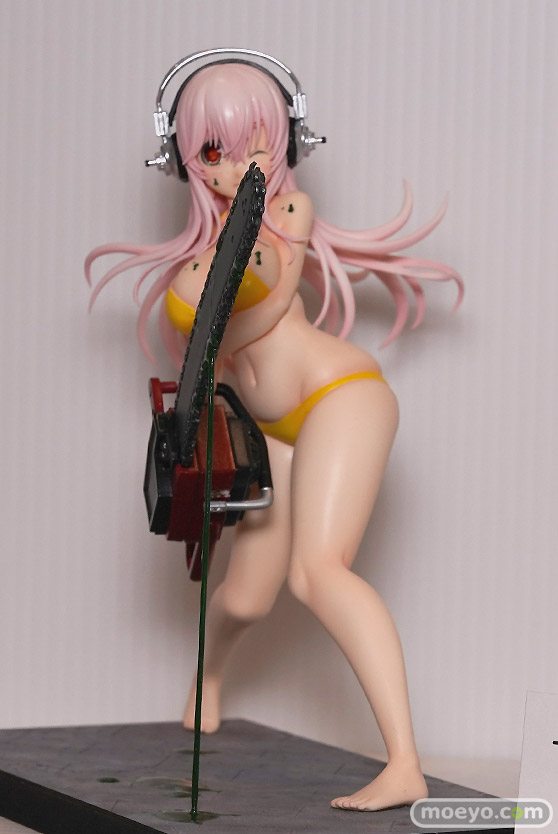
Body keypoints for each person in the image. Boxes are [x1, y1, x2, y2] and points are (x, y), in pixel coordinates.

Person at [86, 56, 462, 812]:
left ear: (286, 139)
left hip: (340, 398)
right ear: (185, 159)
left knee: (318, 572)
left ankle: (405, 764)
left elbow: (255, 281)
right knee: (248, 597)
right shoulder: (202, 252)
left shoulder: (286, 214)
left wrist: (210, 280)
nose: (236, 166)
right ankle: (209, 680)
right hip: (276, 433)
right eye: (214, 152)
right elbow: (206, 328)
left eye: (256, 143)